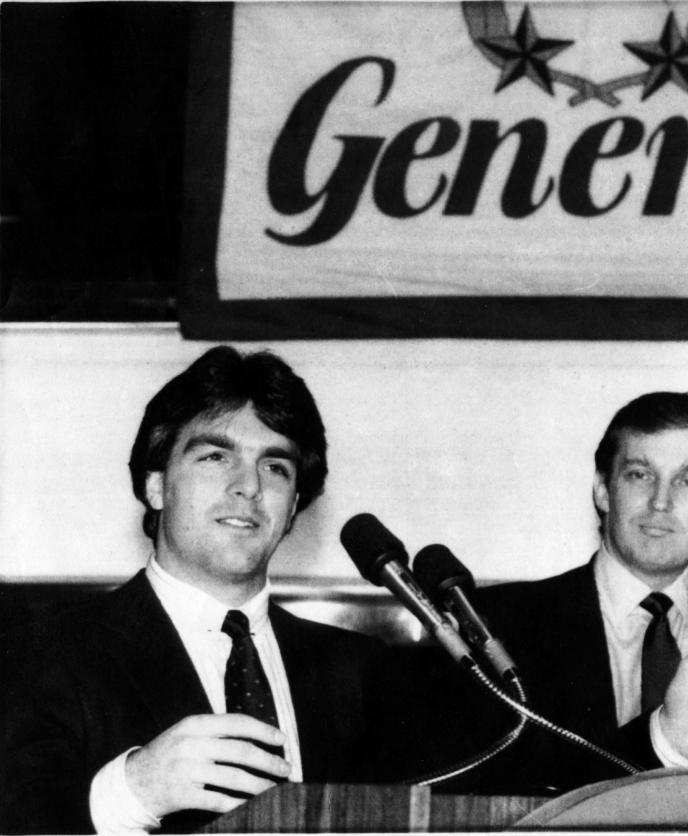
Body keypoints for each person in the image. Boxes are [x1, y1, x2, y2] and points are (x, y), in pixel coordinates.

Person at [0, 346, 413, 834]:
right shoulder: (39, 654)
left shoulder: (363, 672)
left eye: (275, 467)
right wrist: (131, 793)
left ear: (294, 504)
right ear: (155, 485)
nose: (249, 486)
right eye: (216, 456)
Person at [449, 392, 688, 795]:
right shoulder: (497, 623)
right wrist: (665, 740)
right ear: (603, 491)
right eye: (640, 474)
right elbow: (487, 794)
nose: (660, 502)